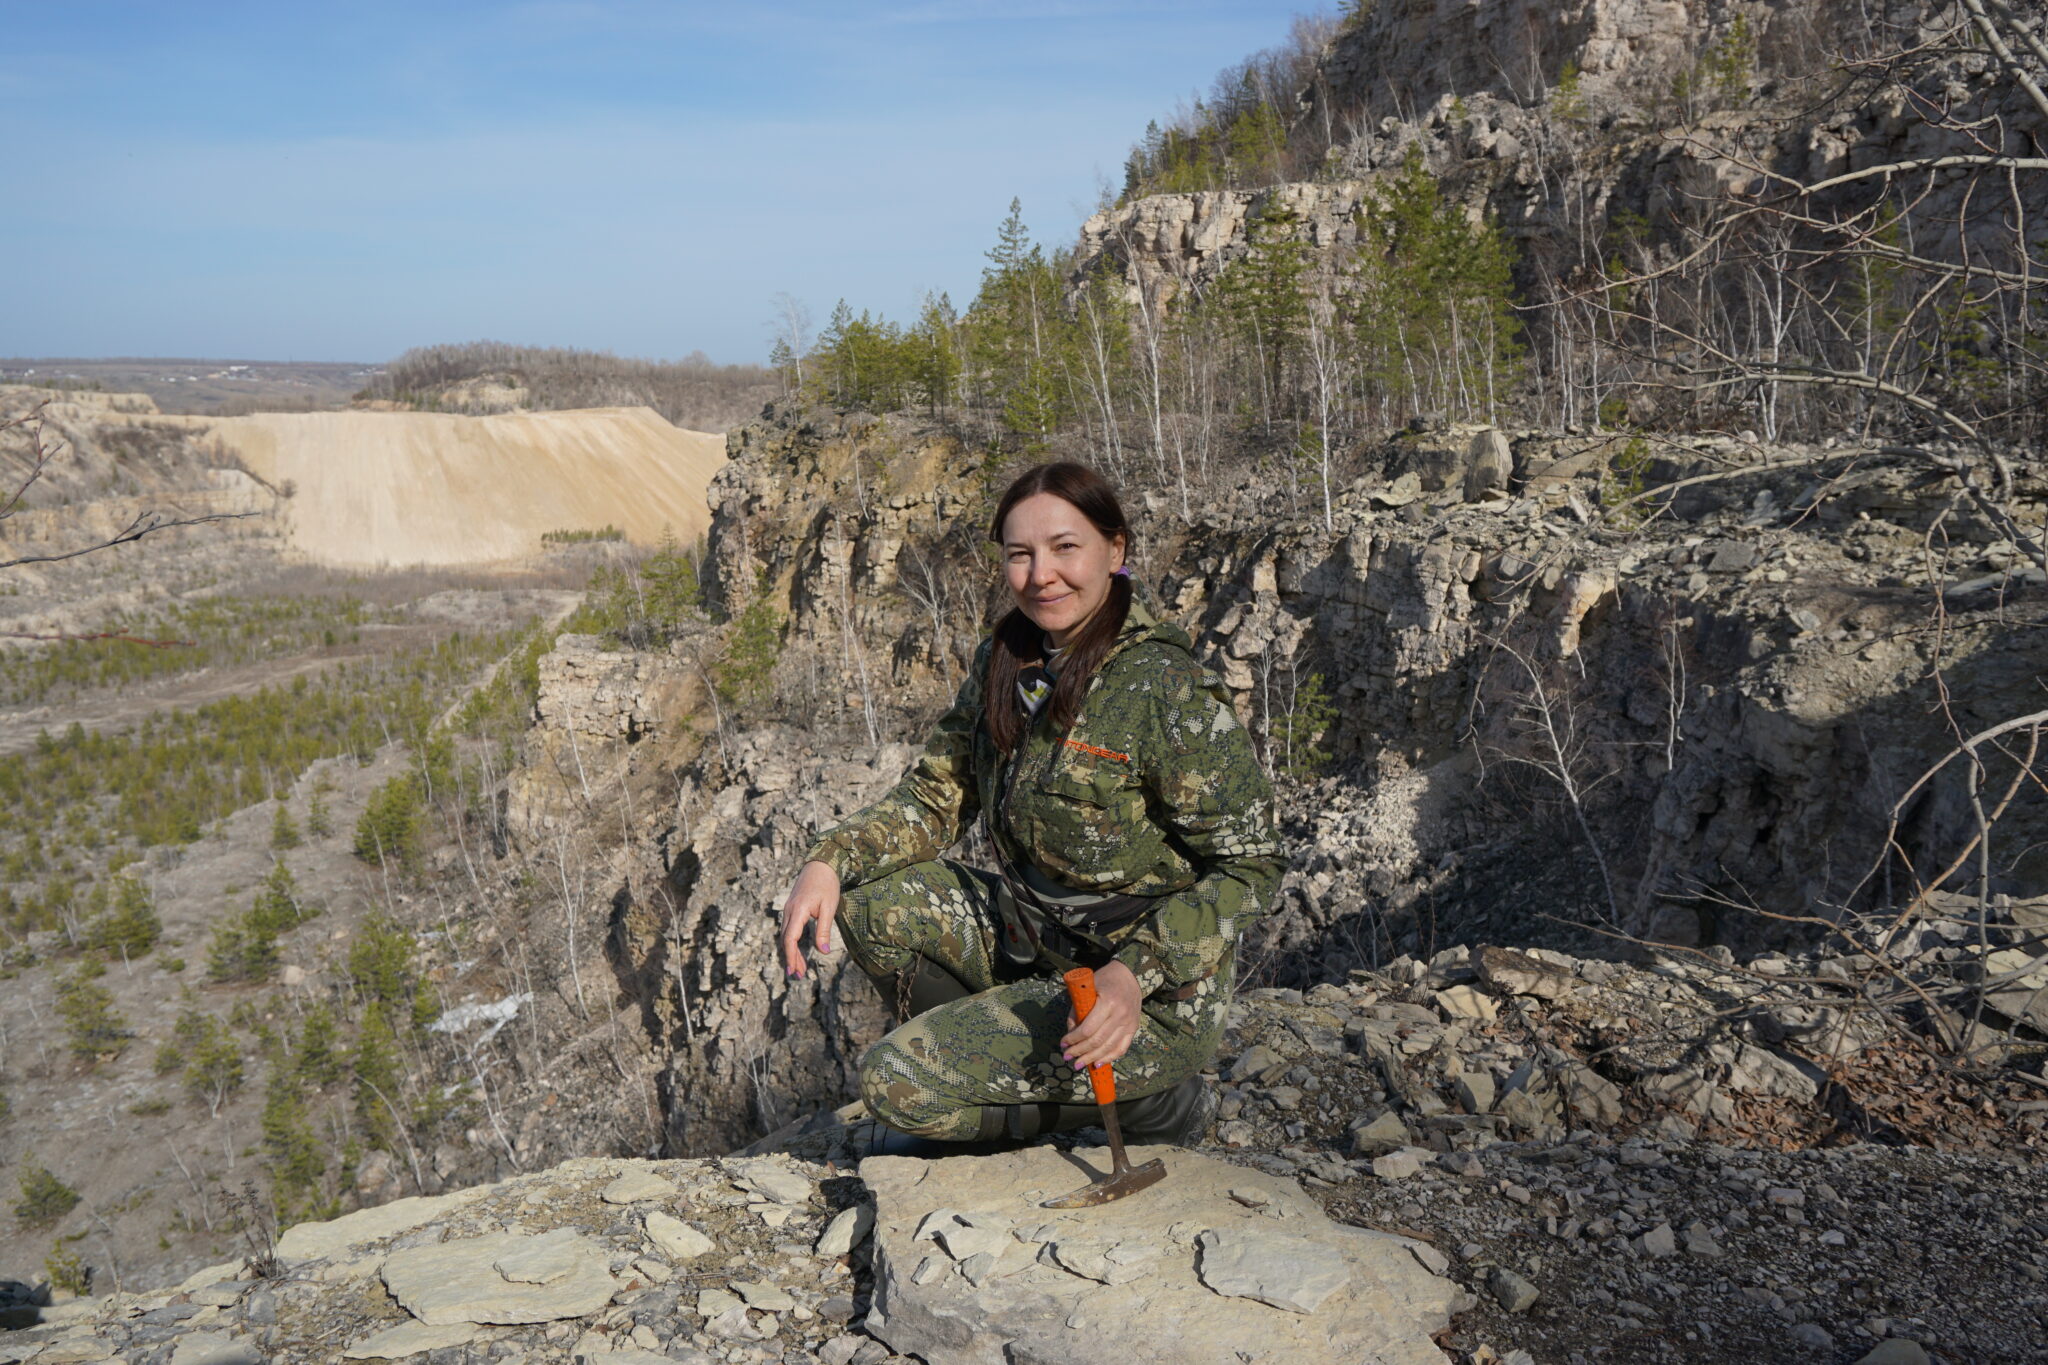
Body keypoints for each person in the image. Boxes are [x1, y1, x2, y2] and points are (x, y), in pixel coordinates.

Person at [777, 461, 1282, 1152]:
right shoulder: (1007, 658)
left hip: (1141, 995)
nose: (1042, 574)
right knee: (867, 904)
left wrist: (1135, 973)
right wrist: (828, 861)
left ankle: (1156, 1104)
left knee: (896, 1085)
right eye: (1020, 554)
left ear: (1115, 548)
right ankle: (996, 1069)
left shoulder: (1164, 689)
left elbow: (1252, 865)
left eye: (1065, 547)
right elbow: (937, 794)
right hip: (1036, 946)